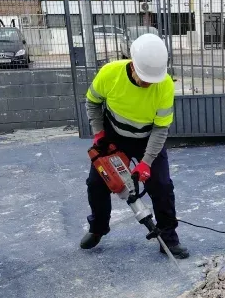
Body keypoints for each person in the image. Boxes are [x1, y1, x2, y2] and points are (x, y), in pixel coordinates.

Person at [80, 33, 189, 258]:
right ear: (132, 64)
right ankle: (98, 228)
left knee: (161, 185)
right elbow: (93, 102)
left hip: (147, 138)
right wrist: (98, 132)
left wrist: (147, 162)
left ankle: (168, 238)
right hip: (113, 135)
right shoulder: (109, 73)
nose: (148, 82)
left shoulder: (165, 85)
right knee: (96, 184)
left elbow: (161, 129)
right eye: (144, 77)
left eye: (153, 78)